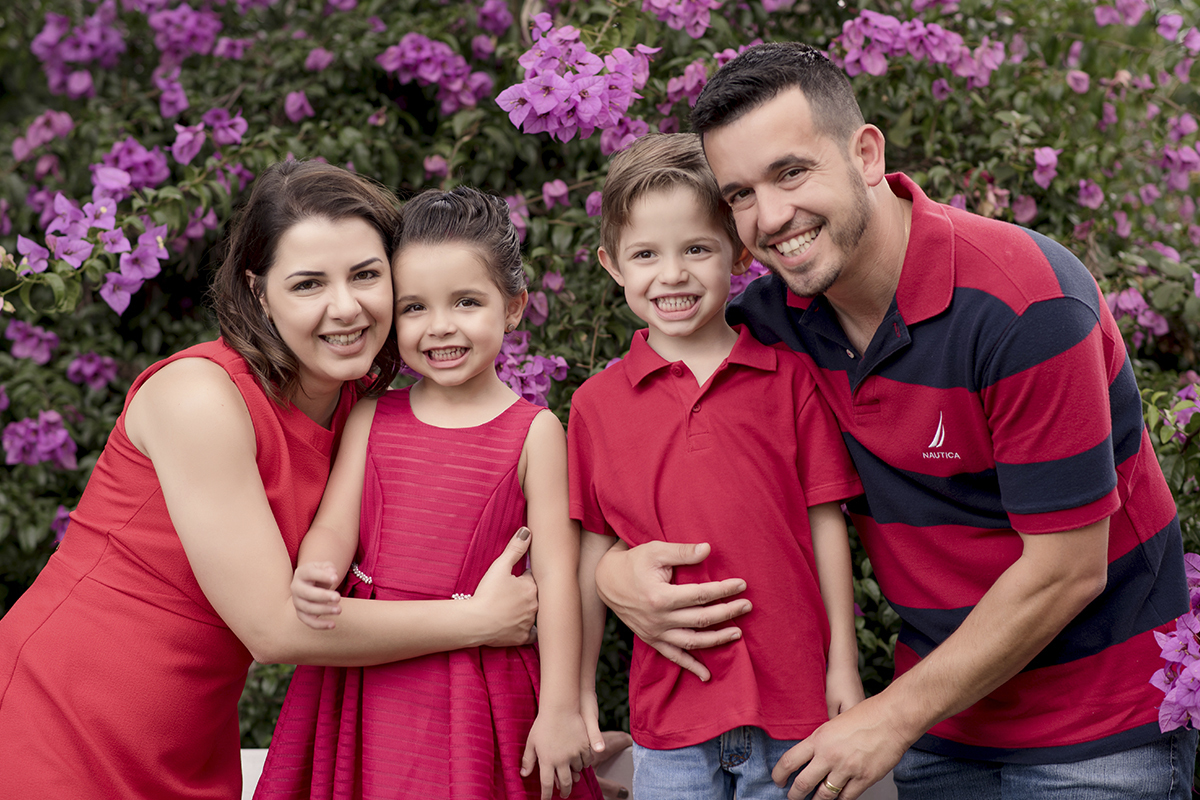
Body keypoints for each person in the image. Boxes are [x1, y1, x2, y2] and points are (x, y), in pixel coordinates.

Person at [594, 41, 1195, 800]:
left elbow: (1067, 569)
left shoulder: (1024, 304)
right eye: (740, 193)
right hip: (944, 728)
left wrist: (888, 718)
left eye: (791, 172)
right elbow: (659, 443)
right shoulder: (772, 325)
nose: (770, 217)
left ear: (866, 154)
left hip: (1096, 732)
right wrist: (613, 574)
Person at [0, 161, 539, 800]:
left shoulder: (365, 407)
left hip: (191, 736)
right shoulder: (200, 396)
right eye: (308, 284)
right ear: (258, 294)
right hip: (60, 716)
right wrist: (475, 620)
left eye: (366, 275)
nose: (346, 307)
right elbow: (275, 628)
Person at [252, 186, 602, 800]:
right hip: (370, 670)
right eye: (414, 307)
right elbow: (335, 525)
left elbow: (557, 582)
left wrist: (560, 709)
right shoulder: (372, 414)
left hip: (482, 682)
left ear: (514, 306)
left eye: (466, 301)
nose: (440, 327)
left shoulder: (535, 433)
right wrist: (316, 570)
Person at [569, 132, 865, 799]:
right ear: (612, 265)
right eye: (646, 254)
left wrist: (843, 668)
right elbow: (591, 555)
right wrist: (578, 690)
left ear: (739, 252)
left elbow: (827, 527)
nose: (672, 274)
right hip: (672, 715)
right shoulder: (595, 406)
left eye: (697, 249)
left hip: (793, 709)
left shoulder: (790, 380)